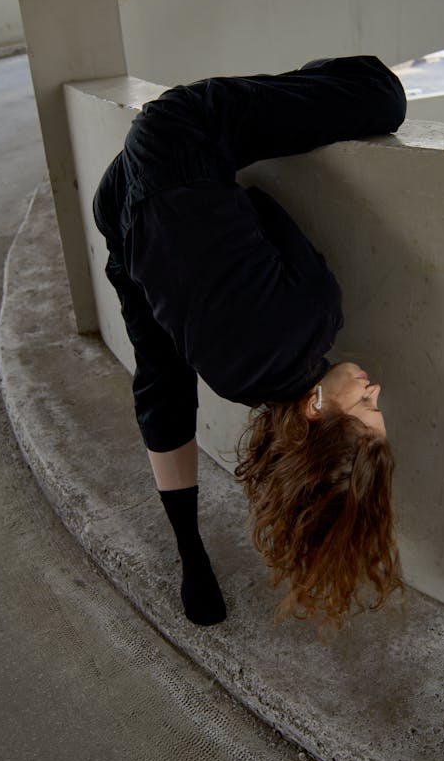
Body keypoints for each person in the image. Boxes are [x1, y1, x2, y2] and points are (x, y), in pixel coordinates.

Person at [93, 55, 406, 630]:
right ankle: (191, 557)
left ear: (316, 409)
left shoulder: (319, 314)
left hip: (178, 133)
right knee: (162, 382)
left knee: (383, 95)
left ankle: (304, 73)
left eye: (366, 406)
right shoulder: (236, 385)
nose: (375, 389)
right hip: (118, 218)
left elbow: (260, 203)